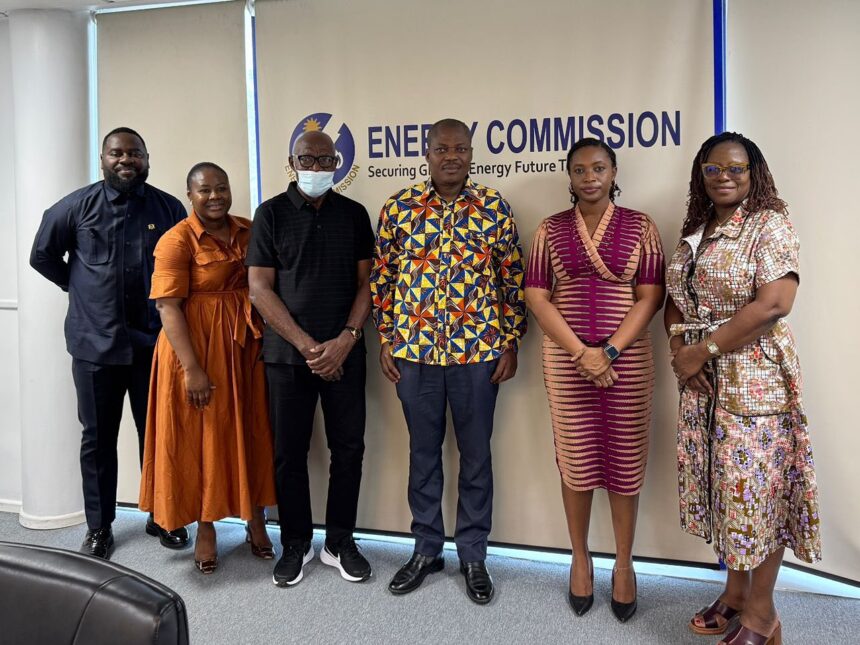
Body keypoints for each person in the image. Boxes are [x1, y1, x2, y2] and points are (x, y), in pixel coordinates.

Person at [665, 132, 821, 645]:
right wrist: (679, 348)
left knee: (761, 494)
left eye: (736, 168)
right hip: (703, 384)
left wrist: (702, 350)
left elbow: (775, 302)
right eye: (713, 169)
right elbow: (675, 298)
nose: (724, 177)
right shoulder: (698, 228)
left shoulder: (769, 224)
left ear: (754, 173)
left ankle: (762, 613)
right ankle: (734, 594)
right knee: (727, 491)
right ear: (701, 174)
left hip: (755, 381)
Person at [371, 118, 527, 605]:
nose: (452, 156)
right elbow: (383, 278)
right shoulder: (399, 207)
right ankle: (426, 549)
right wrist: (387, 337)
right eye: (442, 148)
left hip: (478, 352)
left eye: (460, 148)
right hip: (414, 352)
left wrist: (510, 340)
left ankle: (473, 554)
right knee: (423, 454)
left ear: (472, 153)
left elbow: (511, 278)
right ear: (427, 153)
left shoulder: (493, 207)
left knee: (476, 456)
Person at [30, 127, 189, 559]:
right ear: (103, 159)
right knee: (98, 439)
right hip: (94, 346)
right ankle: (100, 527)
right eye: (117, 153)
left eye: (135, 153)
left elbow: (183, 269)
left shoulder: (168, 208)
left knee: (157, 435)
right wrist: (78, 286)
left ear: (147, 159)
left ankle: (163, 515)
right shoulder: (75, 207)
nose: (126, 160)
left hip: (153, 345)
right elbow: (41, 255)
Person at [524, 138, 665, 622]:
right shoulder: (550, 229)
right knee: (577, 460)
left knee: (626, 461)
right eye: (580, 170)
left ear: (614, 172)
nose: (590, 177)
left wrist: (607, 352)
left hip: (626, 361)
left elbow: (650, 296)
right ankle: (580, 559)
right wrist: (581, 353)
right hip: (567, 361)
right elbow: (537, 296)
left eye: (599, 168)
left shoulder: (641, 226)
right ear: (569, 176)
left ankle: (624, 564)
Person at [247, 130, 375, 587]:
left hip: (345, 353)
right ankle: (295, 543)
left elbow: (367, 284)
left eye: (325, 160)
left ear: (337, 163)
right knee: (289, 454)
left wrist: (346, 339)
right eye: (308, 159)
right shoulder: (270, 214)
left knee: (349, 450)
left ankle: (340, 542)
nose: (316, 167)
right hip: (288, 358)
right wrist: (307, 346)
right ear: (292, 162)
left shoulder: (354, 214)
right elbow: (259, 289)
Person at [138, 163, 277, 573]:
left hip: (244, 346)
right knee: (204, 436)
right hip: (195, 348)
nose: (215, 196)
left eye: (222, 188)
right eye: (205, 190)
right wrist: (192, 369)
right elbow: (167, 307)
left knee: (251, 427)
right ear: (190, 195)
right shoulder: (176, 240)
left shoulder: (249, 230)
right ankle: (206, 525)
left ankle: (256, 518)